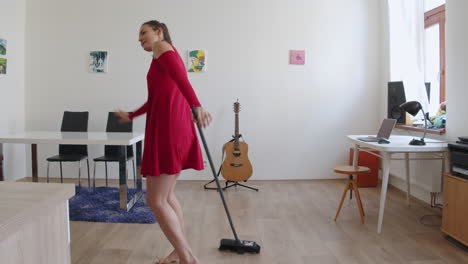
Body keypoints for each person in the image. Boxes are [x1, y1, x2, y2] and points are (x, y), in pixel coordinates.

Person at [115, 20, 212, 264]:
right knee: (166, 197)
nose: (140, 39)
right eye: (138, 35)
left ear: (159, 32)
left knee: (155, 199)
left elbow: (182, 80)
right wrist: (132, 115)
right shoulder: (163, 56)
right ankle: (178, 253)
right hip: (171, 126)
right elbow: (157, 97)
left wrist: (196, 105)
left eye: (143, 33)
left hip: (170, 128)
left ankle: (187, 258)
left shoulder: (163, 49)